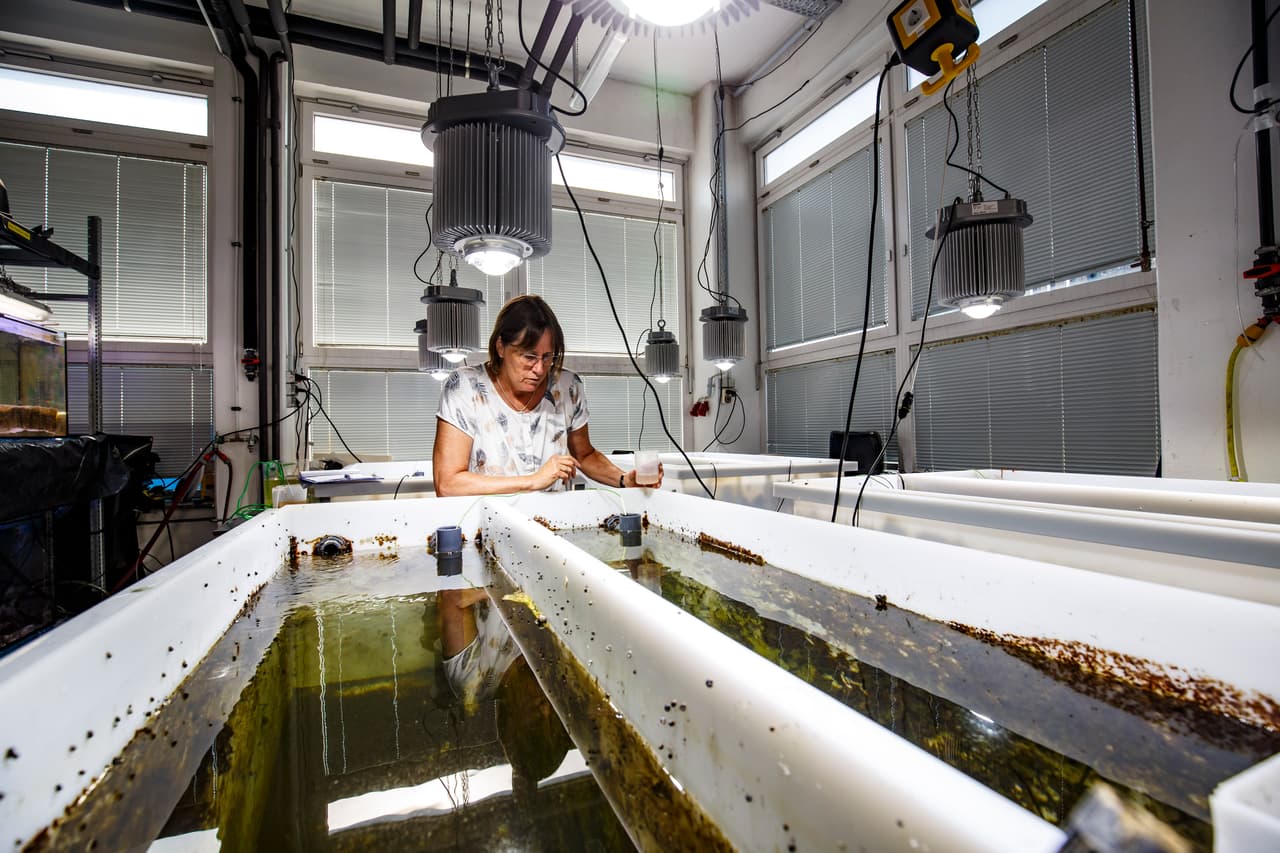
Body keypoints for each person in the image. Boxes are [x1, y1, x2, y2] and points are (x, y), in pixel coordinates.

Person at [433, 294, 663, 496]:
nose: (540, 369)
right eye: (529, 357)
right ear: (501, 346)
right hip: (487, 523)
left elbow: (584, 455)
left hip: (553, 522)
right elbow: (448, 484)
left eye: (547, 357)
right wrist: (533, 481)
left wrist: (624, 480)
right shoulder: (465, 387)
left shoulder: (567, 386)